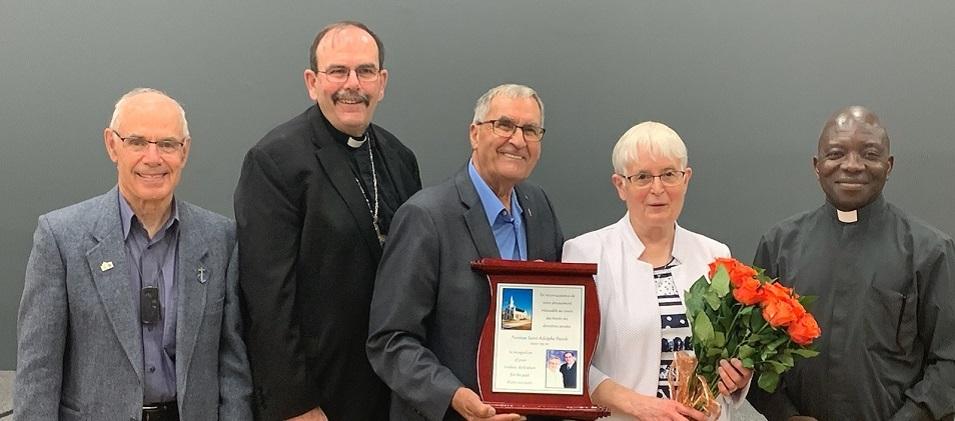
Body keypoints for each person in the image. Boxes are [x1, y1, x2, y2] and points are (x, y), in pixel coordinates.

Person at [13, 88, 252, 420]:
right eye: (137, 142)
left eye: (167, 144)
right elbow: (38, 370)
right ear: (112, 145)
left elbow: (233, 364)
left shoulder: (220, 239)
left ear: (185, 151)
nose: (153, 158)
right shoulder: (61, 238)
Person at [234, 21, 421, 421]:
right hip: (318, 397)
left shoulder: (401, 159)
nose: (351, 84)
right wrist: (295, 403)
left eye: (365, 71)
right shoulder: (275, 160)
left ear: (382, 82)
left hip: (392, 394)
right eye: (337, 71)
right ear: (312, 81)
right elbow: (267, 298)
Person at [366, 84, 563, 421]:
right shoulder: (426, 217)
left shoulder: (538, 206)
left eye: (530, 130)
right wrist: (453, 396)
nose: (518, 140)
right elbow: (390, 340)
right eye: (504, 125)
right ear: (475, 134)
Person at [747, 106, 955, 421]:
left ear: (889, 165)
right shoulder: (779, 245)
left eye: (870, 154)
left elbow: (949, 359)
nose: (852, 166)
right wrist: (784, 414)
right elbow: (754, 350)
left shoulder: (930, 251)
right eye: (836, 154)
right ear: (817, 166)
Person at [562, 121, 752, 421]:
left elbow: (728, 353)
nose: (658, 188)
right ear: (620, 186)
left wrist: (737, 376)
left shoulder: (716, 255)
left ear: (686, 179)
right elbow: (566, 359)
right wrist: (637, 404)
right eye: (642, 177)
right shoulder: (585, 255)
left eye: (669, 174)